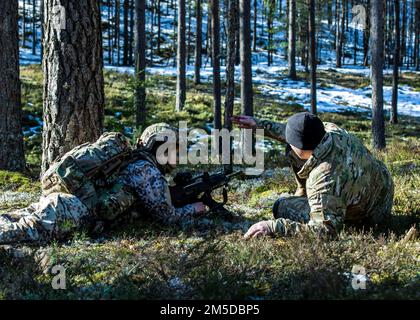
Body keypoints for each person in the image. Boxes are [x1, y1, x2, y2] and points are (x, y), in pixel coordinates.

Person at [0, 123, 207, 245]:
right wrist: (193, 209)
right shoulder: (147, 171)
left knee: (11, 219)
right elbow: (165, 216)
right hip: (74, 211)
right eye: (173, 150)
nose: (177, 157)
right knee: (19, 233)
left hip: (66, 203)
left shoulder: (135, 164)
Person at [231, 112, 394, 238]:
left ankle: (351, 222)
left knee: (281, 206)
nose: (288, 142)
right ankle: (304, 194)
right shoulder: (330, 130)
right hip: (382, 189)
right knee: (292, 152)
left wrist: (273, 227)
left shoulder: (322, 177)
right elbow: (295, 133)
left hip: (370, 217)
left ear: (302, 149)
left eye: (291, 142)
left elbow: (325, 231)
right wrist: (259, 124)